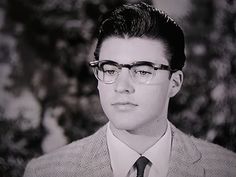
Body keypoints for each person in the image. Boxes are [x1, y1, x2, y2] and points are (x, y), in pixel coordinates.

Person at [24, 2, 236, 177]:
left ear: (175, 83)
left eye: (143, 71)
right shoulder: (46, 172)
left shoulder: (226, 168)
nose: (122, 87)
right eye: (110, 69)